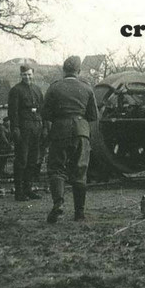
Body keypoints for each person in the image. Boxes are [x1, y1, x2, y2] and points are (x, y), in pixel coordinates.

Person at [42, 55, 99, 223]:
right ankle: (79, 213)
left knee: (57, 168)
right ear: (79, 71)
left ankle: (58, 204)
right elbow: (93, 115)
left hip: (60, 131)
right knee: (80, 171)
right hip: (81, 131)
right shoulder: (87, 88)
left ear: (63, 70)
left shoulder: (54, 88)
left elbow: (45, 113)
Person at [8, 63, 44, 201]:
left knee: (33, 160)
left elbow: (42, 109)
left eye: (29, 74)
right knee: (21, 160)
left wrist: (44, 126)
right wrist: (15, 128)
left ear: (33, 74)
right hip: (23, 128)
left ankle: (28, 189)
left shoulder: (37, 89)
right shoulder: (16, 90)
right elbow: (13, 112)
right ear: (21, 75)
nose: (27, 77)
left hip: (36, 128)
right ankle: (19, 191)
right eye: (24, 75)